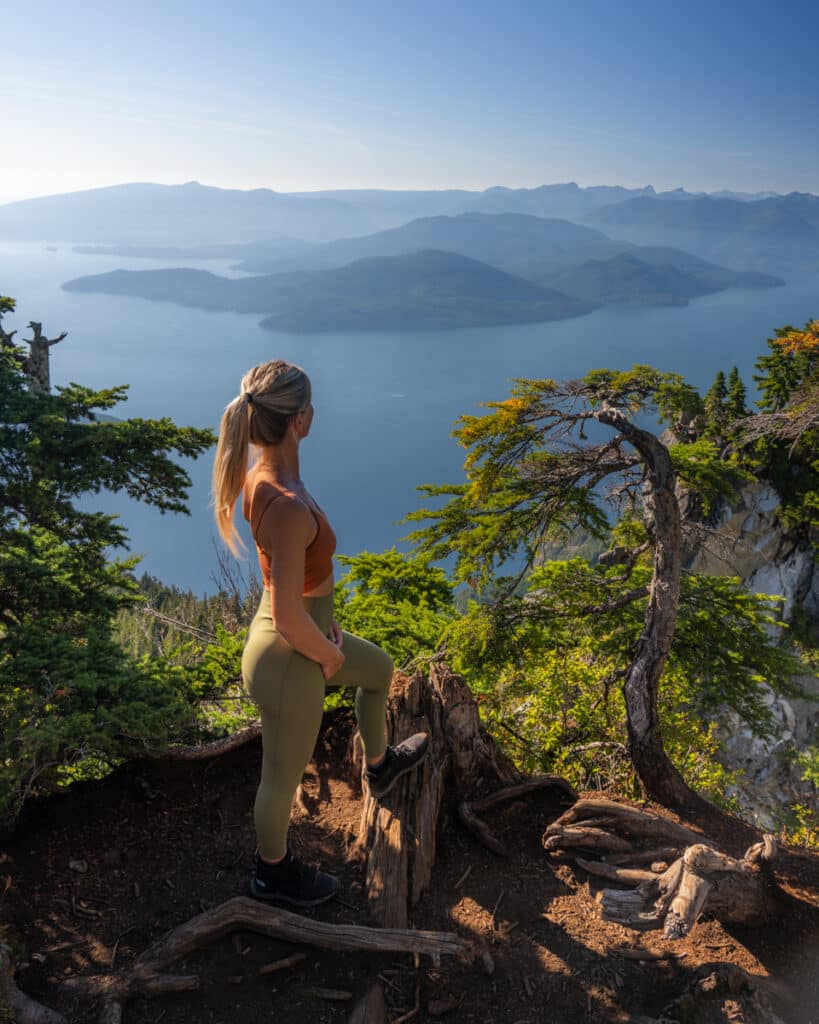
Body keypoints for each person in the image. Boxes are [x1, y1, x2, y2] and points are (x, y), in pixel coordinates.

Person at [211, 359, 429, 907]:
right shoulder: (283, 503)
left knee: (379, 671)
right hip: (289, 656)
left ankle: (379, 768)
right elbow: (287, 617)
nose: (313, 414)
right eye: (308, 408)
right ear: (299, 421)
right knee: (281, 779)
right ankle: (271, 875)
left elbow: (291, 591)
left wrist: (321, 627)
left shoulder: (265, 477)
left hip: (298, 635)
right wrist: (325, 656)